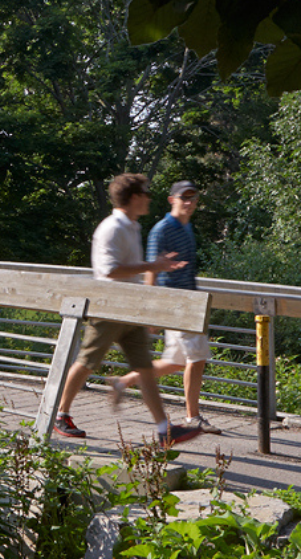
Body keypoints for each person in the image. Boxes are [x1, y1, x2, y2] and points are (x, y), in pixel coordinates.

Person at [53, 173, 202, 447]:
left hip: (130, 308)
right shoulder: (112, 227)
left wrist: (148, 299)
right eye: (145, 194)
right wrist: (152, 266)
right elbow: (109, 271)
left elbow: (132, 271)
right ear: (134, 198)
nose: (148, 199)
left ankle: (163, 430)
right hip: (108, 307)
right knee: (88, 362)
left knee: (145, 368)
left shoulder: (132, 226)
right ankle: (60, 414)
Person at [119, 180, 221, 434]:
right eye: (183, 197)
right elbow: (151, 271)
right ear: (171, 200)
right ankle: (192, 417)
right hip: (176, 304)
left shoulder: (186, 227)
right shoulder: (162, 229)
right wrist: (152, 311)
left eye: (193, 198)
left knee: (176, 362)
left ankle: (122, 382)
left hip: (189, 302)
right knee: (197, 359)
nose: (188, 202)